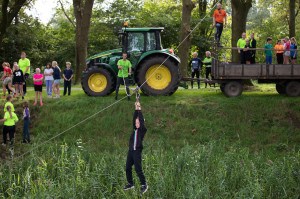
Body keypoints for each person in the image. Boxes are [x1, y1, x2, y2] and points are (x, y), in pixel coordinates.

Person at [123, 101, 148, 195]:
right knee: (127, 167)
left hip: (137, 151)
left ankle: (144, 185)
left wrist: (140, 109)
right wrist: (136, 109)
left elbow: (141, 120)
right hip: (131, 151)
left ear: (141, 124)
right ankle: (130, 183)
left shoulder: (142, 130)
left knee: (138, 169)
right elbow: (135, 118)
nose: (137, 124)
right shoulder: (135, 130)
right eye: (136, 123)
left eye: (138, 123)